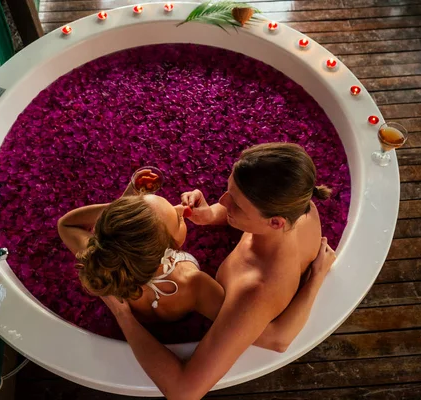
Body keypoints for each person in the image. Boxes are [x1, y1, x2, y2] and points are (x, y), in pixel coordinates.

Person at [101, 143, 337, 400]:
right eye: (229, 190)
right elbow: (250, 212)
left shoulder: (253, 289)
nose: (222, 200)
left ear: (275, 221)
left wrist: (123, 315)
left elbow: (184, 392)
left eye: (235, 203)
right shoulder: (300, 206)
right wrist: (211, 214)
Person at [57, 172, 225, 323]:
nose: (181, 208)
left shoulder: (109, 262)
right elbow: (240, 327)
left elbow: (66, 224)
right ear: (165, 251)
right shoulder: (195, 284)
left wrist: (124, 209)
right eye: (178, 219)